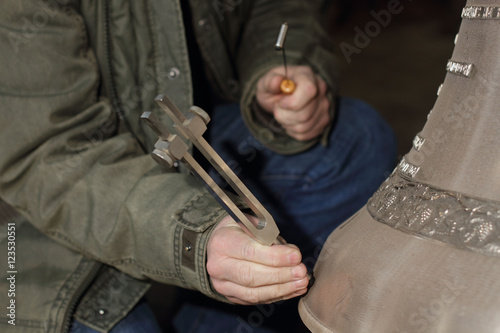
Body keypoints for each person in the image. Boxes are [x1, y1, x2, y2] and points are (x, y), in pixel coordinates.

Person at [0, 0, 396, 332]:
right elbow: (46, 157)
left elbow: (273, 8)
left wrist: (277, 68)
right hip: (46, 213)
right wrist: (192, 238)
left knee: (354, 141)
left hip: (181, 145)